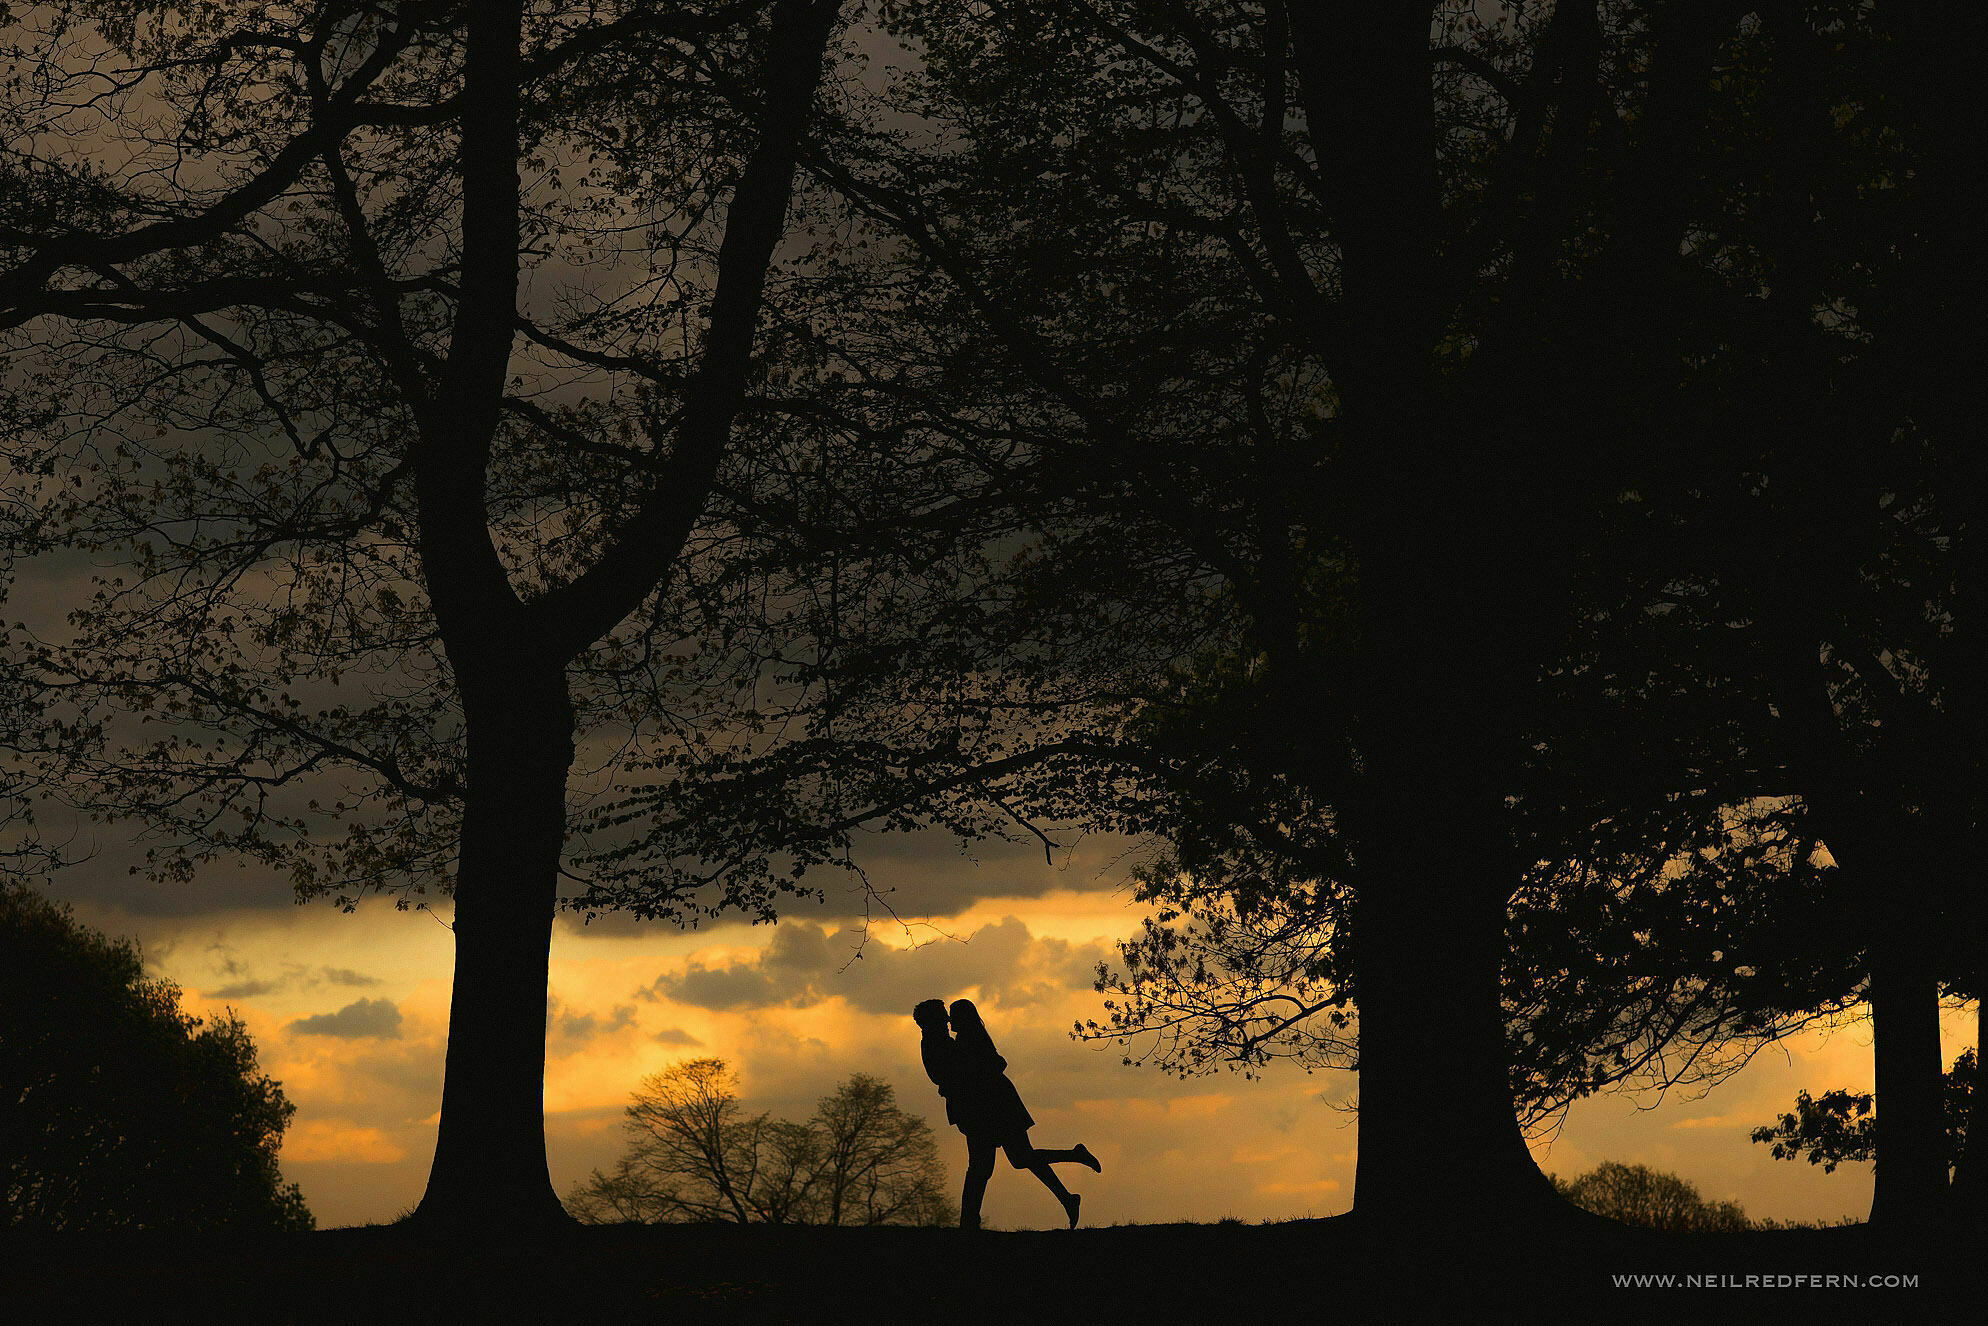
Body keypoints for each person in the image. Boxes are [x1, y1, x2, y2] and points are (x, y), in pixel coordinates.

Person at [913, 997, 1101, 1229]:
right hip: (984, 1109)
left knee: (1000, 1163)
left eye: (948, 1014)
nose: (947, 1018)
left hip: (993, 1107)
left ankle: (969, 1222)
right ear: (932, 1020)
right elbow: (951, 1076)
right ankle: (1069, 1185)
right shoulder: (940, 1044)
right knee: (1008, 1161)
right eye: (943, 1015)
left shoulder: (955, 1040)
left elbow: (986, 1067)